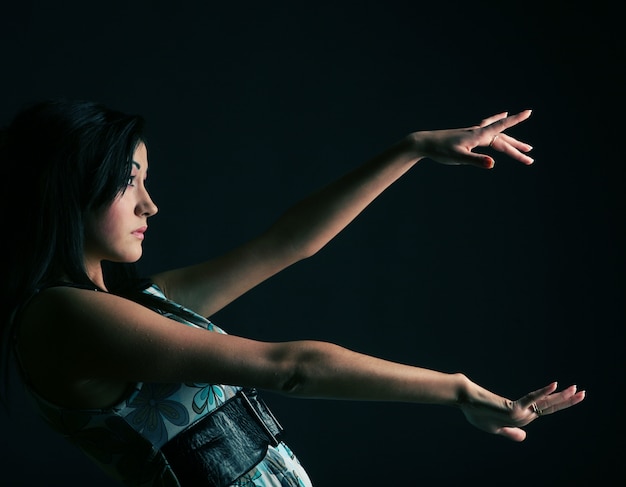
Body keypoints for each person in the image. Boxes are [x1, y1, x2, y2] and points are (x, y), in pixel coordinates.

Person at [0, 98, 585, 487]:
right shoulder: (62, 316)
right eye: (130, 182)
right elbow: (291, 367)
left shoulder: (133, 306)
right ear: (68, 187)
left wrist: (412, 148)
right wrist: (458, 390)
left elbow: (288, 243)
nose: (149, 204)